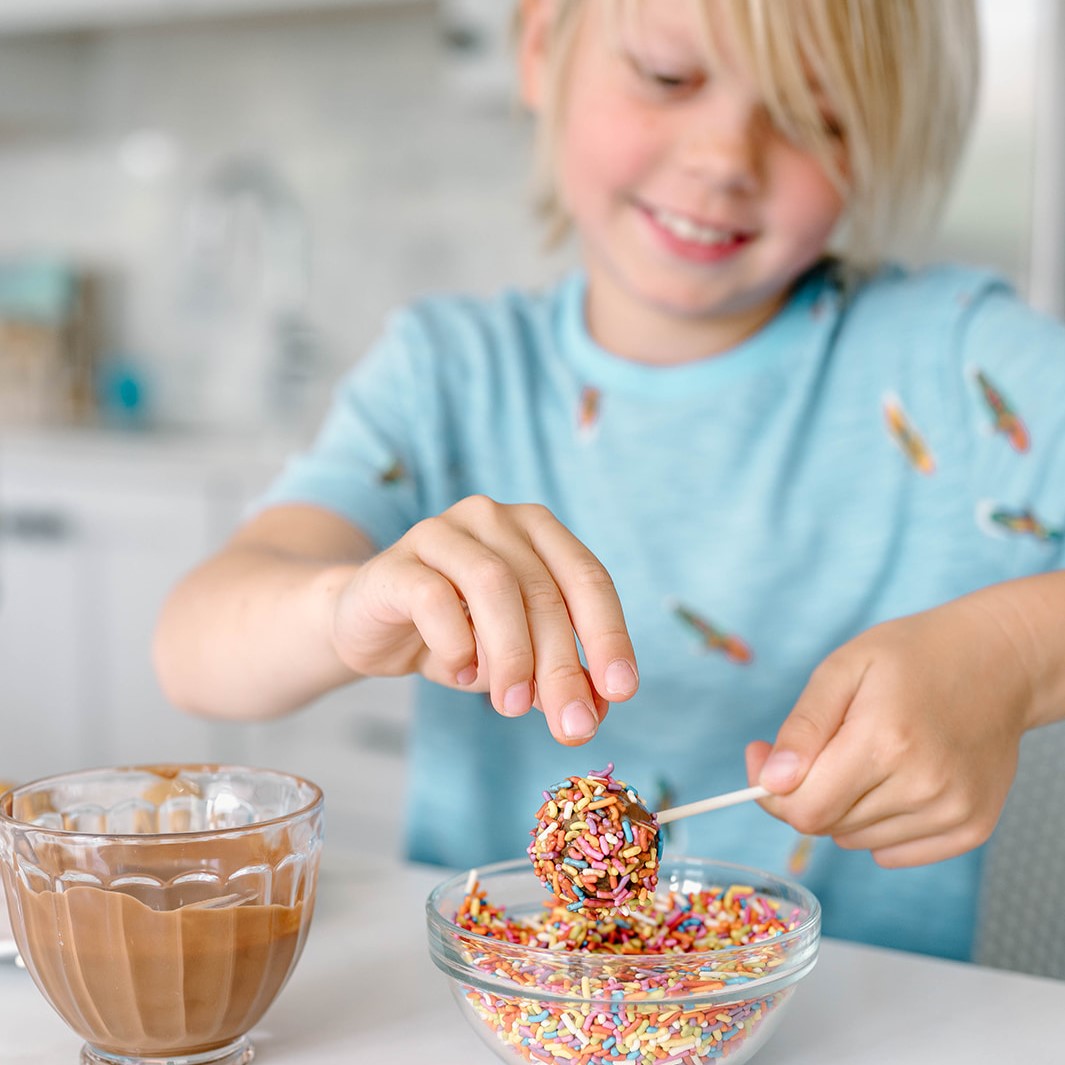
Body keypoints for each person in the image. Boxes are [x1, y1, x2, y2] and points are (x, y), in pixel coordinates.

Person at [154, 0, 1065, 963]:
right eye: (669, 77)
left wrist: (1008, 657)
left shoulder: (969, 367)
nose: (726, 158)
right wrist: (343, 608)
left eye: (816, 114)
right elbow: (192, 647)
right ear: (543, 48)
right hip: (492, 1016)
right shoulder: (446, 374)